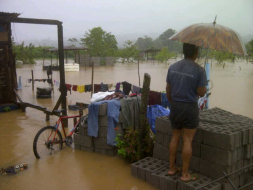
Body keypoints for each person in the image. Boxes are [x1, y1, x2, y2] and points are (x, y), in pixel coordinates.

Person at [166, 43, 207, 182]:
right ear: (196, 52)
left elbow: (168, 90)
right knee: (187, 140)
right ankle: (185, 174)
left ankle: (172, 169)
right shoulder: (200, 70)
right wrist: (204, 89)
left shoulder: (172, 67)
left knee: (175, 137)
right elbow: (201, 93)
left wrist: (173, 103)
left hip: (175, 106)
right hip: (190, 107)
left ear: (183, 51)